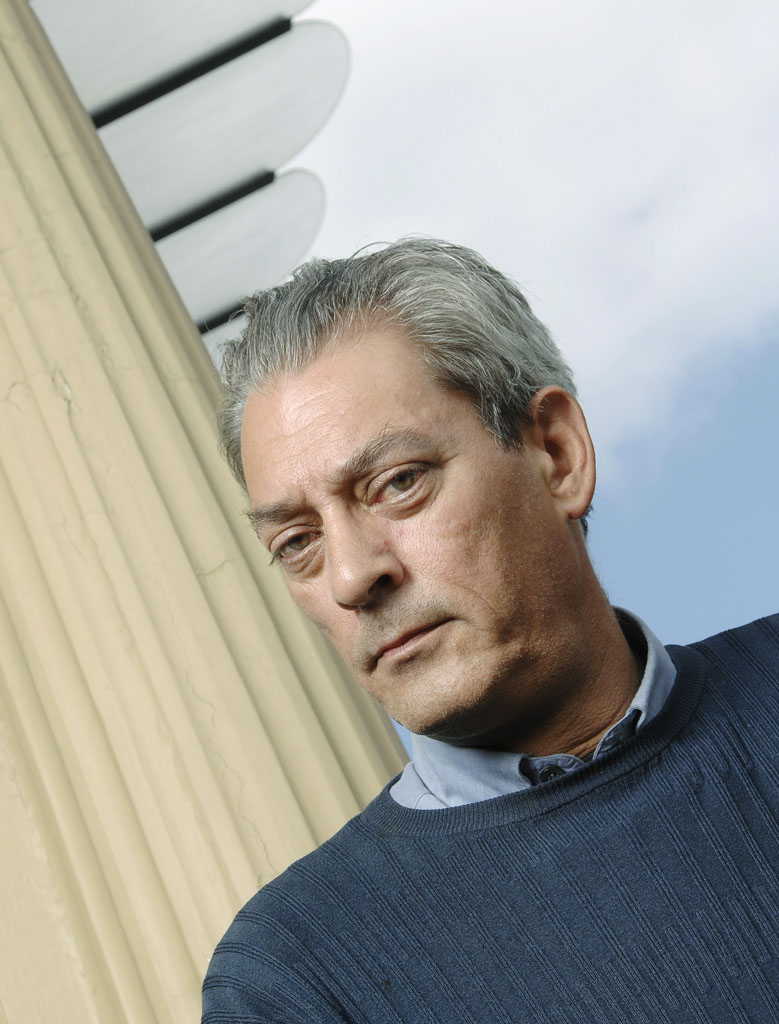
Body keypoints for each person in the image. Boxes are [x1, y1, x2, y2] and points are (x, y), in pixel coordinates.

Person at [202, 238, 779, 1023]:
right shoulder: (295, 980)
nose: (349, 577)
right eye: (297, 541)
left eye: (396, 484)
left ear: (556, 453)